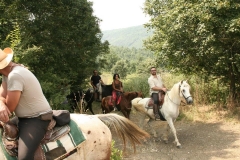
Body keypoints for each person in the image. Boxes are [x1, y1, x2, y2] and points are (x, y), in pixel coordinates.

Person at [0, 48, 53, 159]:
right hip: (24, 118)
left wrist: (3, 104)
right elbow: (1, 96)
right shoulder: (8, 73)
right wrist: (1, 104)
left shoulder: (15, 75)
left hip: (36, 119)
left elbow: (9, 108)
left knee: (24, 157)